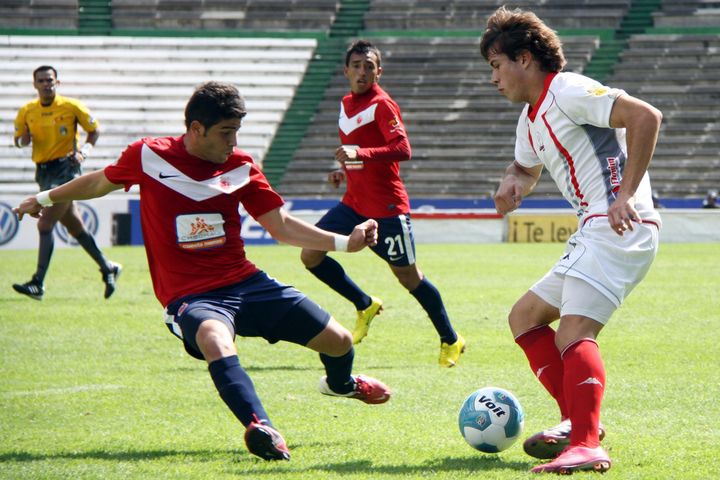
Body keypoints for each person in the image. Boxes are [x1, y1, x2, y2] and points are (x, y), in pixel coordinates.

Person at [13, 81, 392, 461]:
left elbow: (280, 226)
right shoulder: (148, 155)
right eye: (226, 132)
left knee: (339, 341)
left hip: (246, 282)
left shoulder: (241, 166)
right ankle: (261, 427)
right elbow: (99, 181)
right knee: (214, 339)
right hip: (191, 296)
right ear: (197, 129)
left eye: (236, 131)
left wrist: (346, 243)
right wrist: (43, 197)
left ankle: (341, 384)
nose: (233, 141)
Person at [480, 7, 662, 474]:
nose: (493, 78)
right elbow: (525, 166)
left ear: (524, 59)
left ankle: (586, 443)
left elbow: (645, 116)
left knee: (574, 332)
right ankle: (576, 422)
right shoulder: (530, 118)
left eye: (497, 66)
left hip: (619, 224)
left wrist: (625, 196)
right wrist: (512, 180)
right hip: (595, 228)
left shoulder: (568, 90)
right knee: (525, 317)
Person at [300, 40, 465, 367]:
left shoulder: (382, 104)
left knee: (409, 278)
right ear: (346, 70)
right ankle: (365, 304)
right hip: (353, 204)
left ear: (379, 72)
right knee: (310, 254)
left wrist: (359, 154)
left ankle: (451, 339)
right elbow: (357, 150)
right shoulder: (346, 104)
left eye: (369, 66)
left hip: (387, 209)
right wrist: (344, 169)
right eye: (357, 66)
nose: (362, 72)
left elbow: (402, 149)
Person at [12, 65, 121, 300]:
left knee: (45, 224)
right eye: (41, 80)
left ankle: (38, 282)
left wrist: (84, 152)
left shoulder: (71, 106)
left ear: (57, 82)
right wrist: (23, 140)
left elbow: (94, 130)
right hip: (43, 172)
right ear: (34, 84)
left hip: (66, 170)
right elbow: (18, 141)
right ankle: (108, 267)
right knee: (75, 226)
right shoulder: (27, 111)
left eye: (50, 80)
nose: (46, 84)